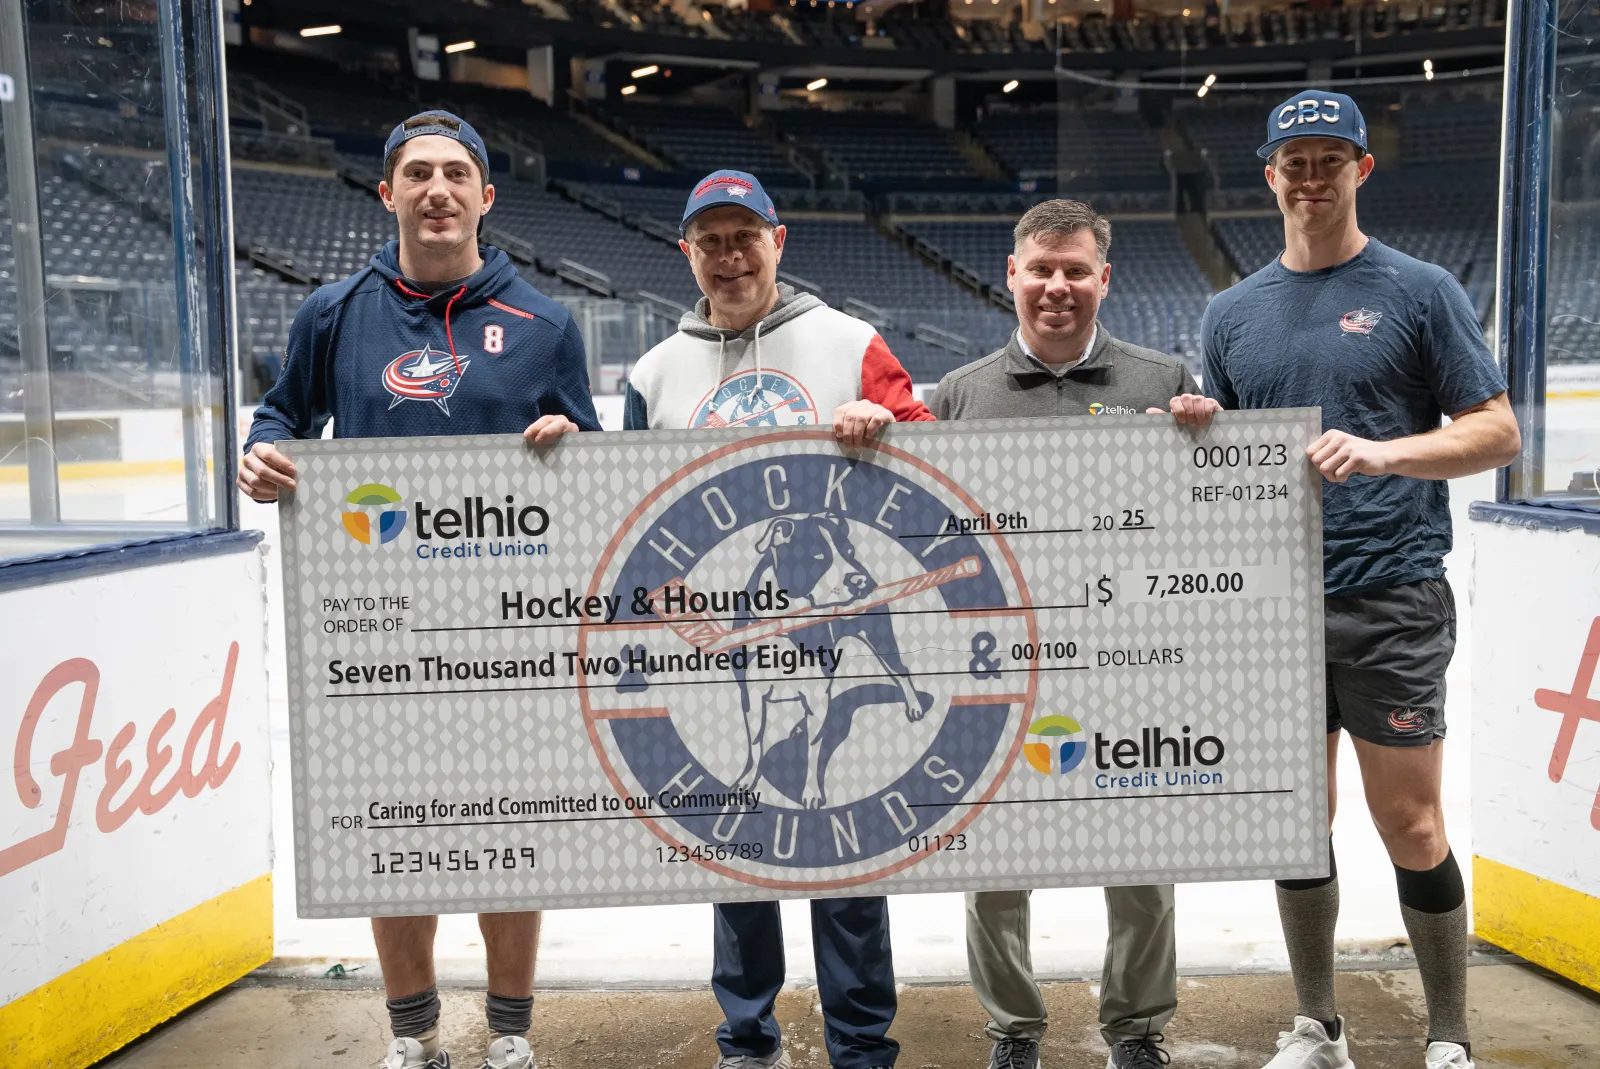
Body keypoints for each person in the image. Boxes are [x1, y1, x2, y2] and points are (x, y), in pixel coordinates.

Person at [239, 110, 601, 1069]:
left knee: (508, 832)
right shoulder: (333, 312)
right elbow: (280, 411)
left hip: (508, 633)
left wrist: (571, 447)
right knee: (389, 834)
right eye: (416, 174)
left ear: (486, 196)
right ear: (387, 191)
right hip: (376, 632)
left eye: (455, 174)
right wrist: (260, 449)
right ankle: (414, 1036)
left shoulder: (546, 322)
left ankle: (511, 1032)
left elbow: (599, 463)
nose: (436, 189)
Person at [1201, 91, 1519, 1069]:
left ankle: (1448, 1034)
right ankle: (1316, 1026)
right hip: (1274, 609)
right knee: (1296, 822)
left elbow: (1496, 431)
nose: (1309, 177)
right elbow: (1214, 465)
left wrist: (1386, 454)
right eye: (1293, 161)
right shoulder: (1228, 313)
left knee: (1410, 821)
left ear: (1359, 169)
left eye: (1329, 158)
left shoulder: (1419, 290)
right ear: (1268, 174)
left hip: (1390, 598)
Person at [624, 168, 934, 1069]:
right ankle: (748, 1039)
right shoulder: (656, 371)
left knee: (845, 849)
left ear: (778, 240)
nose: (728, 257)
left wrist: (889, 420)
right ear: (688, 252)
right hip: (729, 639)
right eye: (710, 241)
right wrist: (669, 608)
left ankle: (862, 1044)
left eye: (743, 236)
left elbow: (938, 466)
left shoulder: (848, 340)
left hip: (836, 618)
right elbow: (638, 516)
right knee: (739, 845)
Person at [929, 199, 1218, 1069]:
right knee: (994, 862)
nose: (1059, 287)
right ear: (1011, 274)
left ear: (1104, 278)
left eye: (1076, 271)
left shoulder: (1161, 378)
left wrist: (1206, 445)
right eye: (1042, 270)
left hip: (1127, 668)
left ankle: (1136, 1027)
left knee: (1140, 861)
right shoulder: (961, 394)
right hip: (1004, 669)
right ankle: (1014, 1028)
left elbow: (1203, 523)